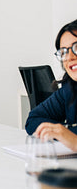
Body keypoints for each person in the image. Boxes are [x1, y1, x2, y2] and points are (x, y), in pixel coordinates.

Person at [26, 19, 77, 152]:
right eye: (64, 52)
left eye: (76, 47)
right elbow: (33, 120)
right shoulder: (69, 89)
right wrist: (63, 132)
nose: (69, 57)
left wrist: (72, 137)